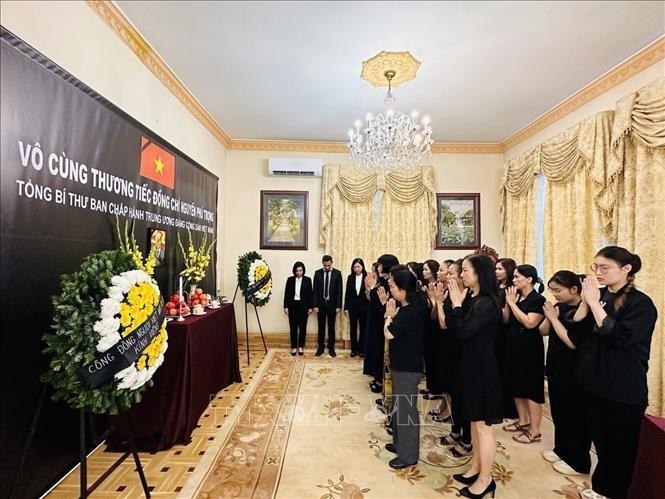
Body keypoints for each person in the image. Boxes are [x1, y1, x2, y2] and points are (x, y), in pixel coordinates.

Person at [572, 246, 657, 499]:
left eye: (604, 267)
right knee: (603, 445)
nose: (598, 272)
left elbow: (619, 337)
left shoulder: (641, 304)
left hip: (623, 389)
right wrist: (586, 304)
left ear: (626, 269)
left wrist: (596, 306)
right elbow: (576, 334)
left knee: (621, 450)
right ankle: (601, 489)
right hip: (594, 384)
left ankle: (614, 492)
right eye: (595, 267)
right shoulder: (599, 296)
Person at [439, 255, 503, 499]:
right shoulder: (473, 298)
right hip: (468, 364)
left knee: (483, 426)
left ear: (480, 274)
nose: (461, 275)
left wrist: (456, 304)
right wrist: (455, 303)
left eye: (465, 270)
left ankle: (486, 480)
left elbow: (464, 331)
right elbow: (453, 329)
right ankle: (476, 467)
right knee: (474, 423)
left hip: (482, 368)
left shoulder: (487, 302)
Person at [539, 270, 591, 476]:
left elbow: (571, 342)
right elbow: (543, 331)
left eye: (558, 290)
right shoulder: (559, 307)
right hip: (555, 367)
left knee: (575, 416)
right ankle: (561, 450)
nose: (555, 295)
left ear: (574, 289)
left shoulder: (584, 309)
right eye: (552, 291)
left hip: (575, 371)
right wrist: (549, 316)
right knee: (559, 413)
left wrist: (554, 319)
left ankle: (578, 460)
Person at [383, 269, 426, 470]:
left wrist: (388, 317)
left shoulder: (410, 312)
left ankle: (408, 456)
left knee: (407, 410)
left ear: (402, 290)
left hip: (408, 368)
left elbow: (389, 334)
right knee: (399, 408)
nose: (390, 289)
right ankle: (400, 444)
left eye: (392, 286)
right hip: (402, 364)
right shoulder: (408, 307)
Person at [502, 264, 546, 444]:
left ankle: (535, 430)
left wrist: (513, 304)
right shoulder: (517, 297)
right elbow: (505, 319)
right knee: (516, 384)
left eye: (517, 277)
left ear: (529, 279)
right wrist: (508, 303)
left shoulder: (538, 300)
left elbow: (529, 323)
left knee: (531, 389)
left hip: (529, 349)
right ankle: (523, 420)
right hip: (513, 345)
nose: (514, 280)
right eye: (513, 277)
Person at [364, 254, 399, 394]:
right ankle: (378, 378)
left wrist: (372, 287)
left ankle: (381, 381)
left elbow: (382, 303)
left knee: (382, 352)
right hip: (377, 321)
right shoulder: (384, 281)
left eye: (379, 264)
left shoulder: (388, 283)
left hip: (384, 322)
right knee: (377, 351)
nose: (377, 267)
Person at [495, 258, 518, 419]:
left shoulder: (511, 289)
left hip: (504, 332)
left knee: (503, 370)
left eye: (500, 269)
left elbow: (506, 317)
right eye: (495, 268)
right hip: (493, 331)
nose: (496, 271)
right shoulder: (495, 287)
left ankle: (507, 408)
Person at [313, 255, 343, 357]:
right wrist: (315, 305)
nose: (326, 267)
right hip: (320, 305)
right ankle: (320, 347)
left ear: (332, 263)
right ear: (322, 263)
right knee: (321, 327)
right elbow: (315, 291)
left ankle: (331, 348)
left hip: (332, 305)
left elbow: (339, 291)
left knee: (331, 327)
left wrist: (338, 305)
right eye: (325, 265)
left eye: (328, 265)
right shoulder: (317, 273)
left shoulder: (337, 273)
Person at [283, 261, 313, 356]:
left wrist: (310, 307)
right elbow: (287, 294)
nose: (299, 272)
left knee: (303, 327)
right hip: (293, 306)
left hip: (304, 306)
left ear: (303, 270)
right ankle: (294, 347)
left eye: (300, 270)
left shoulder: (308, 280)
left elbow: (310, 294)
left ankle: (300, 346)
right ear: (294, 271)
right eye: (297, 271)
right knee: (293, 327)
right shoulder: (290, 280)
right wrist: (286, 306)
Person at [344, 258, 369, 357]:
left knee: (363, 328)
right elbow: (347, 293)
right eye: (354, 267)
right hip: (352, 307)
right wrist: (346, 307)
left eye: (358, 266)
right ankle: (354, 350)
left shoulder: (367, 277)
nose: (356, 269)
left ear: (362, 267)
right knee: (353, 328)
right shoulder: (350, 277)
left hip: (364, 307)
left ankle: (362, 350)